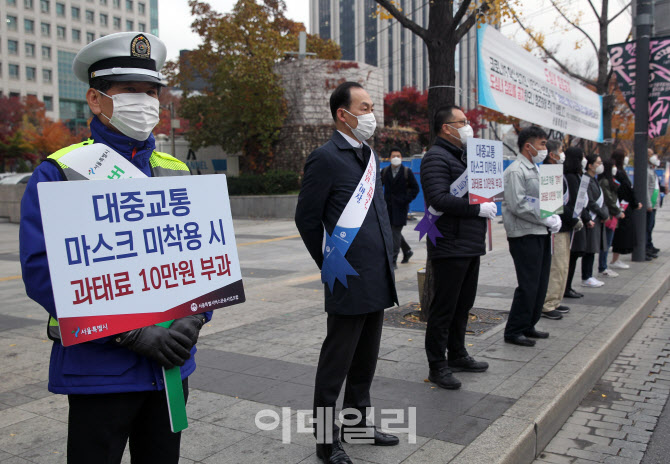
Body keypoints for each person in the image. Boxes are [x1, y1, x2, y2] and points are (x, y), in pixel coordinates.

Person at [19, 32, 210, 464]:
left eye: (151, 92)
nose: (145, 102)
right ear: (95, 98)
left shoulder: (176, 171)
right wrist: (132, 332)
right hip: (100, 370)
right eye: (130, 91)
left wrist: (195, 319)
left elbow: (204, 261)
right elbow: (41, 271)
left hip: (172, 366)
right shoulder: (60, 172)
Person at [295, 81, 399, 464]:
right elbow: (306, 218)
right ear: (344, 113)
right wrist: (329, 263)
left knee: (365, 361)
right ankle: (326, 442)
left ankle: (357, 424)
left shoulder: (368, 155)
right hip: (347, 279)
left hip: (376, 276)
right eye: (366, 106)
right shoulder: (325, 157)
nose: (372, 114)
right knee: (335, 365)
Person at [420, 106, 495, 389]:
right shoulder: (435, 158)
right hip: (450, 244)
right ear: (446, 128)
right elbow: (438, 199)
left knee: (463, 304)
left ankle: (458, 354)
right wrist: (477, 210)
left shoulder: (463, 157)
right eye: (462, 122)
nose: (468, 126)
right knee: (444, 308)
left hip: (469, 243)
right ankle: (437, 365)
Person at [502, 126, 561, 347]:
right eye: (542, 144)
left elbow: (544, 200)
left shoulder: (536, 169)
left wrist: (554, 216)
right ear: (528, 146)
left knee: (540, 282)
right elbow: (518, 204)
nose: (545, 148)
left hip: (539, 231)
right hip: (524, 234)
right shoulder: (516, 171)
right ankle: (514, 330)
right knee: (528, 284)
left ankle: (529, 324)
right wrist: (545, 218)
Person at [541, 141, 580, 320]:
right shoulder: (549, 173)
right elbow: (557, 205)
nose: (562, 154)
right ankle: (547, 304)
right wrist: (573, 220)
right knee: (556, 267)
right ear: (552, 154)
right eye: (561, 151)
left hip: (564, 227)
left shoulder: (557, 172)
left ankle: (555, 300)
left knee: (562, 266)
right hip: (556, 227)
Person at [381, 147, 420, 268]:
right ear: (389, 158)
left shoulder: (406, 172)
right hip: (388, 208)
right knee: (393, 232)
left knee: (395, 232)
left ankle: (393, 259)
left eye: (398, 156)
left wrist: (405, 200)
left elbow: (415, 189)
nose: (396, 158)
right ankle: (407, 251)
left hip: (401, 208)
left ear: (402, 158)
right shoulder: (384, 171)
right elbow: (377, 187)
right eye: (393, 156)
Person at [580, 154, 610, 288]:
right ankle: (586, 276)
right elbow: (590, 201)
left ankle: (589, 275)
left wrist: (604, 213)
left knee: (593, 248)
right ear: (590, 165)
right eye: (598, 163)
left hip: (597, 218)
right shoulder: (585, 179)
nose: (600, 165)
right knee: (589, 249)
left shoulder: (594, 179)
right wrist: (602, 213)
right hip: (591, 218)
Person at [564, 147, 589, 299]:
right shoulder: (570, 177)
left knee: (573, 257)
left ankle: (568, 287)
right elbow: (573, 201)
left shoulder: (578, 176)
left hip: (577, 220)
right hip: (572, 222)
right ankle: (566, 288)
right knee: (571, 257)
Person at [610, 149, 642, 267]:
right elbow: (627, 189)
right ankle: (614, 260)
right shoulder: (618, 172)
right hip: (622, 207)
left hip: (623, 206)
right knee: (620, 234)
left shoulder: (619, 171)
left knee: (620, 233)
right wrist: (635, 203)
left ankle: (615, 259)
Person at [598, 157, 625, 277]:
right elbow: (609, 199)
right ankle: (602, 267)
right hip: (608, 215)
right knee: (605, 243)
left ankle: (604, 266)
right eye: (613, 166)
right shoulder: (604, 182)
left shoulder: (610, 180)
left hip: (612, 215)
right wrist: (617, 211)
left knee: (607, 242)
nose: (615, 168)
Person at [646, 148, 661, 259]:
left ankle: (649, 245)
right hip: (650, 204)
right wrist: (648, 204)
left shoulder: (652, 170)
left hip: (654, 203)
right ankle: (645, 248)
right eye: (651, 155)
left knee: (651, 226)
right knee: (647, 227)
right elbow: (646, 189)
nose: (654, 156)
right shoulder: (646, 171)